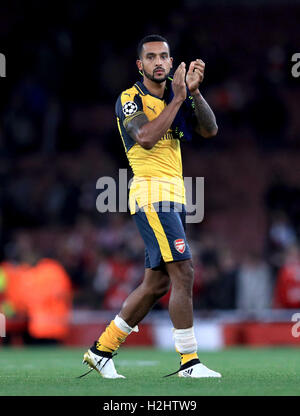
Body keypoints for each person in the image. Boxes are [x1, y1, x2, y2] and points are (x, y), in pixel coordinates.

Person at [82, 35, 221, 378]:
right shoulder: (130, 99)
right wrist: (176, 100)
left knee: (157, 284)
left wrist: (195, 94)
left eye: (164, 56)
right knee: (185, 272)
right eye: (151, 57)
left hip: (175, 196)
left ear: (172, 63)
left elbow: (210, 129)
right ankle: (189, 362)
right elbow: (143, 138)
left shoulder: (180, 98)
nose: (159, 62)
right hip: (150, 194)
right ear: (139, 65)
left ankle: (101, 351)